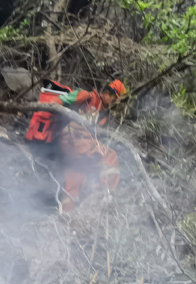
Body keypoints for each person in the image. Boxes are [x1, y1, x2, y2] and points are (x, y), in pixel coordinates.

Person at [27, 79, 126, 211]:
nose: (115, 103)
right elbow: (54, 104)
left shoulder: (102, 116)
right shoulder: (86, 96)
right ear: (107, 92)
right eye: (114, 99)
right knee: (110, 155)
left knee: (75, 177)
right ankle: (106, 195)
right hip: (71, 136)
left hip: (74, 145)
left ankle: (66, 216)